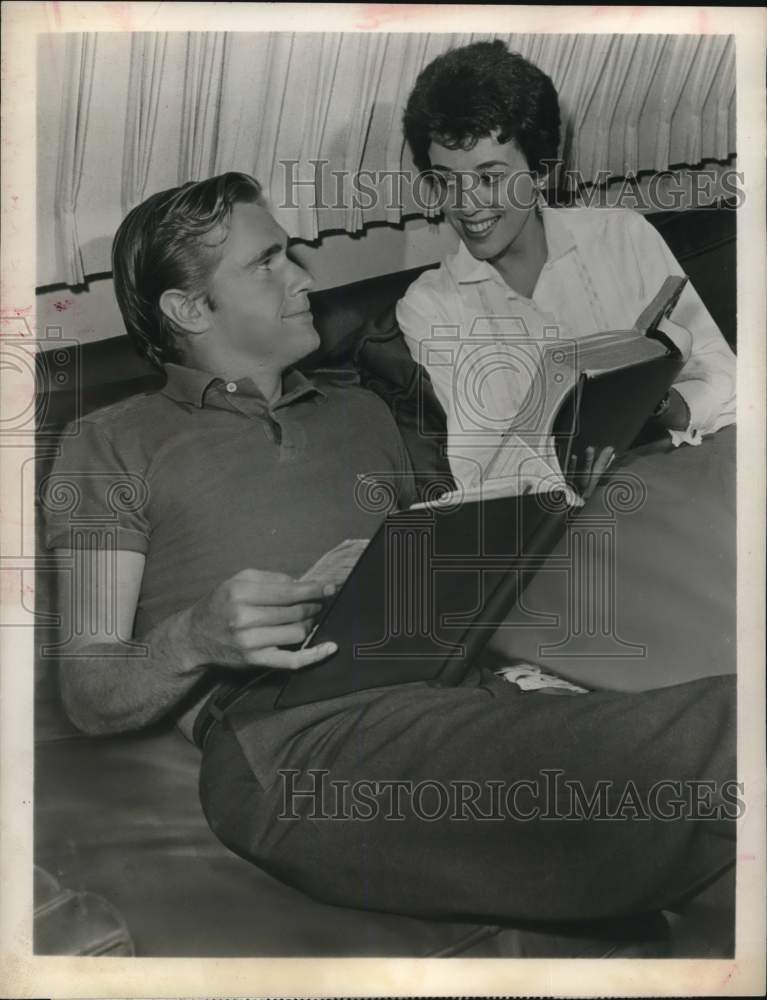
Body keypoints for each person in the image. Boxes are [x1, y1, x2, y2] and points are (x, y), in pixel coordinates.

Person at [43, 172, 736, 936]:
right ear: (187, 307)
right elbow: (90, 686)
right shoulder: (112, 442)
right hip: (296, 741)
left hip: (457, 689)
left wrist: (567, 460)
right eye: (266, 262)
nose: (302, 278)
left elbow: (458, 539)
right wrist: (195, 637)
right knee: (724, 735)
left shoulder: (361, 410)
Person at [397, 40, 736, 492]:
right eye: (445, 181)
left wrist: (660, 407)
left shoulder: (622, 236)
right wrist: (567, 470)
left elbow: (726, 377)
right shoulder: (430, 306)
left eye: (489, 177)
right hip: (569, 519)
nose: (465, 204)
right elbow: (480, 473)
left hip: (677, 476)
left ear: (540, 172)